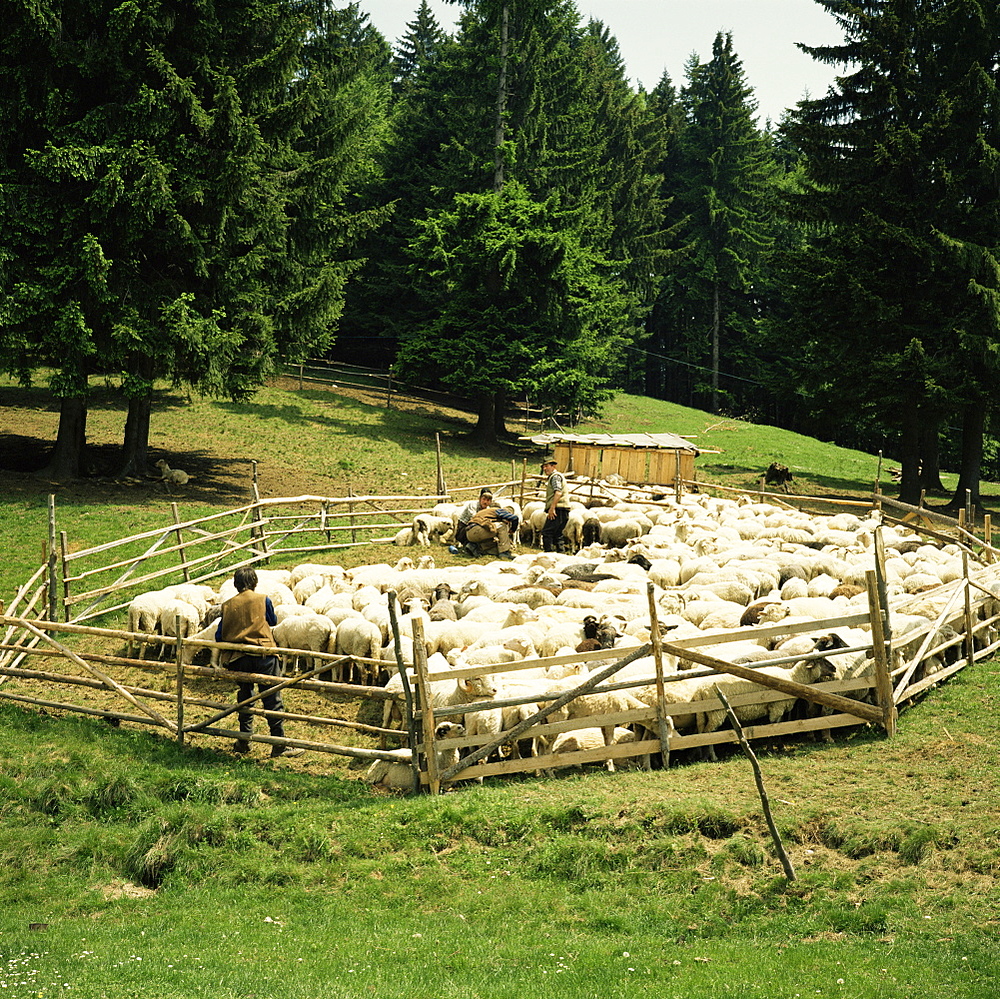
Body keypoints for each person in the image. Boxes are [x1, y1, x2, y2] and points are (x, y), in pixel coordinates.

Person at [216, 567, 304, 758]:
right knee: (272, 698)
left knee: (246, 696)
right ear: (255, 582)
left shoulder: (227, 605)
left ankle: (244, 740)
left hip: (238, 658)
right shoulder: (263, 600)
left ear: (235, 584)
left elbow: (219, 634)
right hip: (263, 655)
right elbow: (272, 622)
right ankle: (278, 744)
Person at [450, 488, 493, 556]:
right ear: (480, 499)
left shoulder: (488, 509)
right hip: (464, 529)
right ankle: (471, 546)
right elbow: (474, 518)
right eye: (484, 499)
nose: (485, 502)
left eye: (488, 500)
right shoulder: (473, 505)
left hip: (478, 527)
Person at [540, 457, 570, 553]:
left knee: (547, 532)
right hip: (563, 509)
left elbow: (558, 492)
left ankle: (548, 555)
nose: (544, 469)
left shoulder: (555, 477)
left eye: (546, 466)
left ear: (553, 466)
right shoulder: (555, 476)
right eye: (543, 467)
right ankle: (560, 554)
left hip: (558, 508)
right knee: (557, 533)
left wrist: (552, 508)